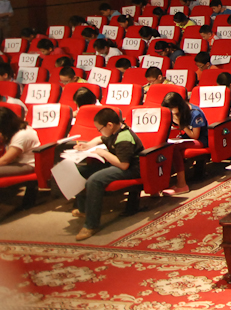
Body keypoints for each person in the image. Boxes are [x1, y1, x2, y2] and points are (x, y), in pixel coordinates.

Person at [72, 108, 144, 240]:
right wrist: (88, 145)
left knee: (94, 180)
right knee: (79, 171)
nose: (99, 131)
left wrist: (103, 153)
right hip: (118, 164)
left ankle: (91, 225)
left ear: (109, 125)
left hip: (132, 169)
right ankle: (83, 209)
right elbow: (101, 138)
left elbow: (124, 164)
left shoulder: (124, 137)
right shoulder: (114, 131)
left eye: (100, 128)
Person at [161, 91, 208, 194]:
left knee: (175, 148)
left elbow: (195, 136)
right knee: (165, 146)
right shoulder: (176, 112)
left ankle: (182, 184)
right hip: (185, 138)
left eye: (171, 108)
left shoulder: (195, 113)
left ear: (178, 105)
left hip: (201, 140)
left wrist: (180, 124)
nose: (171, 111)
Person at [0, 106, 39, 177]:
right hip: (15, 162)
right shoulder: (13, 131)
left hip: (26, 164)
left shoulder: (22, 135)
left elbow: (5, 160)